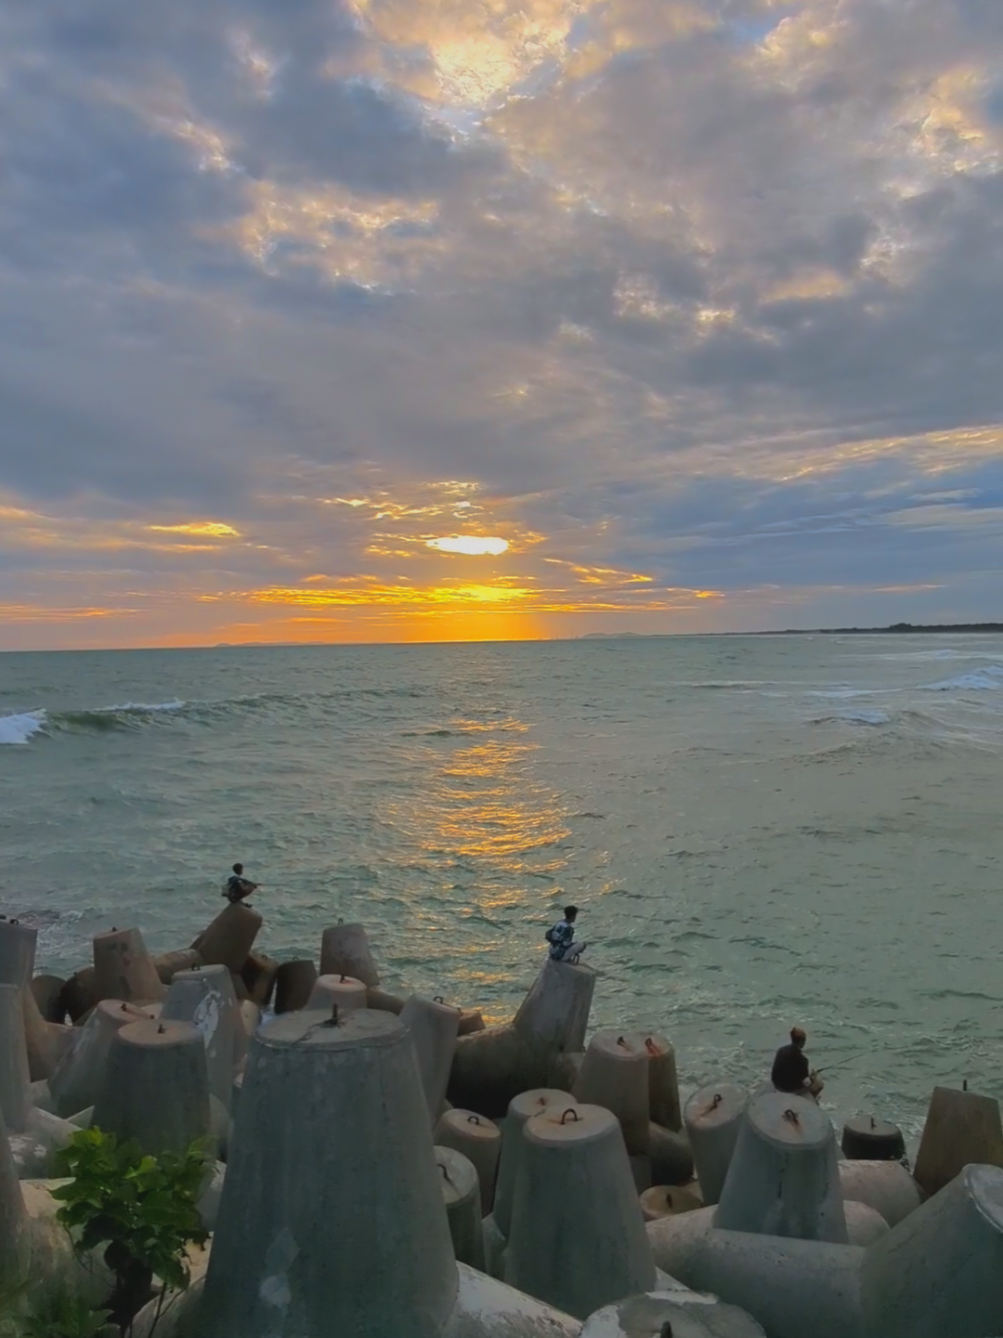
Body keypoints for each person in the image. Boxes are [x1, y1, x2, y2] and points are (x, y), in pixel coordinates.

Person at [771, 1026, 824, 1099]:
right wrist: (812, 1078)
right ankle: (812, 1101)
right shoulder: (802, 1060)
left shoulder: (781, 1050)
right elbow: (806, 1082)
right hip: (790, 1089)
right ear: (802, 1041)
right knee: (820, 1085)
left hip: (777, 1084)